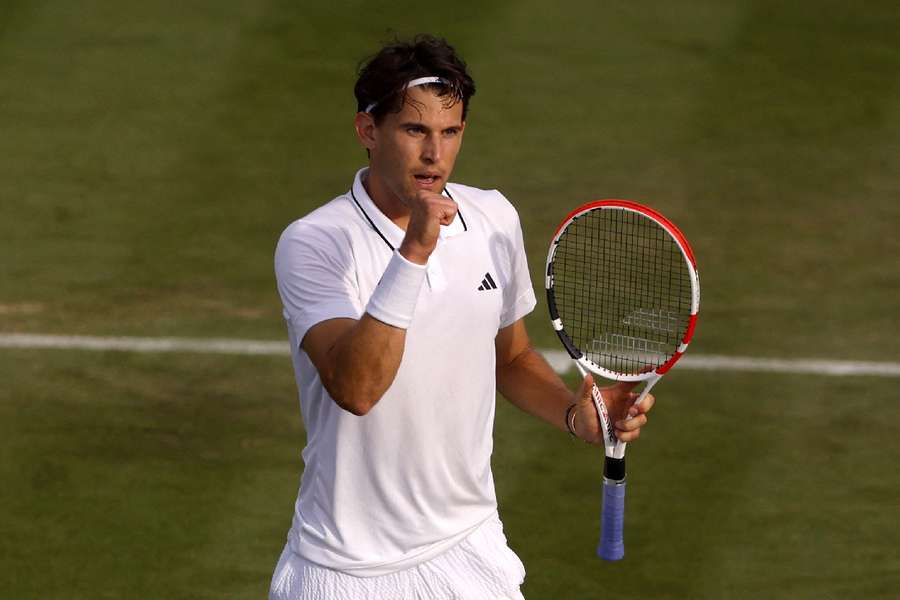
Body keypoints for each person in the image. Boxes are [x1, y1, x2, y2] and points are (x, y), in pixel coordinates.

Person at [270, 34, 654, 600]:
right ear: (367, 131)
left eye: (450, 133)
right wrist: (415, 253)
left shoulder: (493, 217)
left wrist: (577, 415)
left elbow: (511, 357)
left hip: (469, 553)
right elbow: (356, 387)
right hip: (346, 572)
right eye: (414, 130)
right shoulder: (315, 243)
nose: (435, 155)